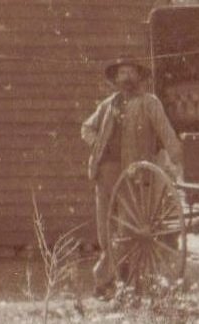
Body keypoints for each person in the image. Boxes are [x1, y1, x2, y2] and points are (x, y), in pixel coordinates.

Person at [81, 56, 182, 299]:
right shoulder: (108, 105)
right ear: (115, 79)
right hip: (105, 174)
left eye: (130, 73)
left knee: (128, 229)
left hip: (133, 175)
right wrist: (98, 146)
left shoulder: (149, 103)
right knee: (106, 229)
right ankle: (106, 283)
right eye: (122, 73)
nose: (126, 77)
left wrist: (177, 159)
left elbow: (166, 133)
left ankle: (126, 282)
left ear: (139, 77)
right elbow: (86, 128)